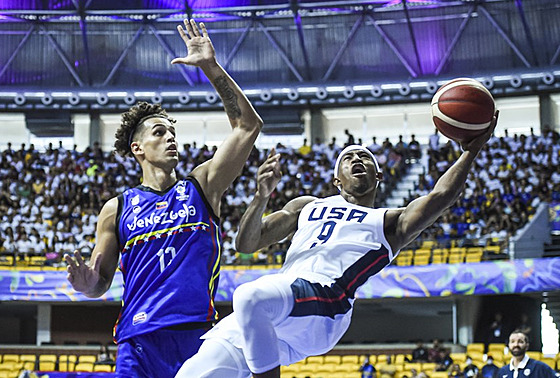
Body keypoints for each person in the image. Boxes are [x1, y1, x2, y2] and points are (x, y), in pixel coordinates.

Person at [177, 112, 498, 377]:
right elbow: (247, 245)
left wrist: (470, 151)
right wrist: (261, 197)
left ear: (379, 175)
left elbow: (440, 198)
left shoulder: (388, 222)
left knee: (248, 295)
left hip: (326, 306)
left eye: (365, 157)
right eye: (348, 157)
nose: (357, 158)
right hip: (281, 304)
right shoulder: (307, 205)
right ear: (336, 180)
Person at [63, 19, 263, 378]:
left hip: (199, 337)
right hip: (138, 342)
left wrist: (210, 67)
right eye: (160, 132)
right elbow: (100, 280)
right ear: (137, 148)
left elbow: (248, 126)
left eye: (173, 132)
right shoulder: (117, 209)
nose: (172, 138)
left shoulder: (202, 185)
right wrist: (84, 283)